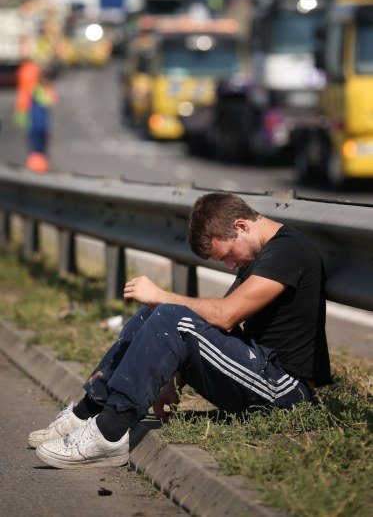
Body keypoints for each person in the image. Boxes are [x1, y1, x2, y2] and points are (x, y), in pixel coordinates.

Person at [29, 191, 332, 469]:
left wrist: (162, 295)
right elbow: (210, 328)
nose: (229, 265)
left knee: (170, 312)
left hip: (285, 391)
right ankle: (89, 410)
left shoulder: (288, 250)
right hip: (257, 368)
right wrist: (170, 377)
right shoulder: (261, 252)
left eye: (226, 255)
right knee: (155, 312)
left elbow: (227, 315)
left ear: (242, 225)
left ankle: (108, 433)